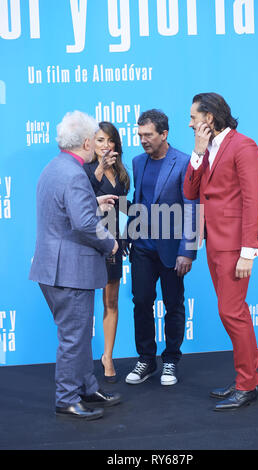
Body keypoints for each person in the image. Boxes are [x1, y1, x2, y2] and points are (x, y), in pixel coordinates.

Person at [29, 110, 122, 420]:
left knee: (79, 334)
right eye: (94, 141)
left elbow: (65, 210)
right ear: (85, 142)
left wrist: (93, 202)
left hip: (56, 268)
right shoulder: (74, 174)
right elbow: (83, 223)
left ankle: (85, 387)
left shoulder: (56, 168)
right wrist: (111, 243)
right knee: (73, 336)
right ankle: (67, 398)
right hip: (68, 271)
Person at [183, 93, 258, 411]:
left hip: (234, 246)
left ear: (209, 118)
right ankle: (245, 379)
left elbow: (253, 199)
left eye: (193, 117)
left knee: (233, 313)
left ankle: (248, 385)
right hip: (214, 244)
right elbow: (189, 191)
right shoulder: (207, 149)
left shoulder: (244, 146)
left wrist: (249, 251)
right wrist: (198, 154)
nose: (189, 123)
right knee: (232, 313)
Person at [125, 109, 198, 386]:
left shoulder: (183, 162)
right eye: (140, 134)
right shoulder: (137, 161)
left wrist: (187, 251)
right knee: (141, 302)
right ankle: (146, 359)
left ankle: (170, 361)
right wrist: (122, 235)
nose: (143, 140)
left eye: (148, 135)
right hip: (142, 246)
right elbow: (137, 201)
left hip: (172, 250)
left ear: (164, 134)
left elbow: (192, 207)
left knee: (173, 304)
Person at [84, 122, 130, 383]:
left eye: (110, 140)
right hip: (90, 244)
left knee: (111, 302)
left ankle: (108, 356)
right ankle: (80, 360)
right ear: (92, 143)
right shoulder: (86, 170)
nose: (105, 145)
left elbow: (123, 209)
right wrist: (100, 168)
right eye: (100, 140)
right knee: (84, 305)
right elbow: (81, 202)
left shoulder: (123, 174)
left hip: (113, 243)